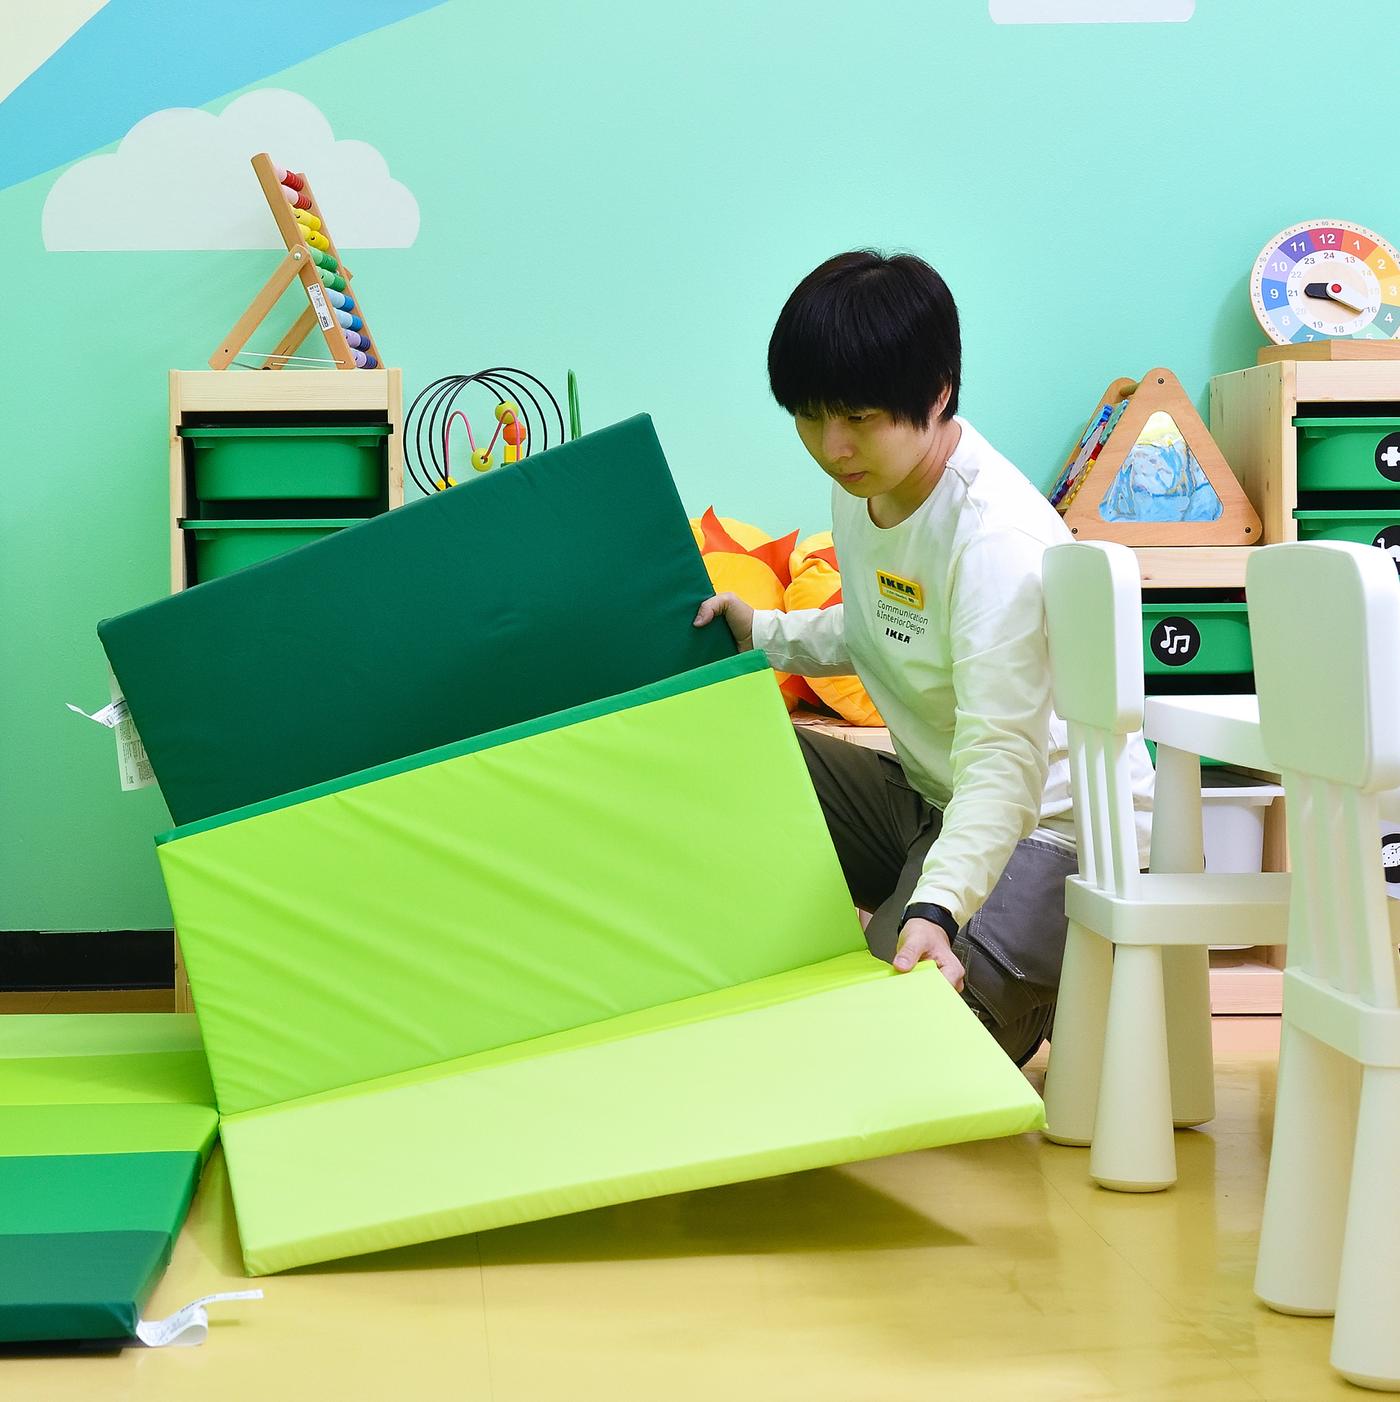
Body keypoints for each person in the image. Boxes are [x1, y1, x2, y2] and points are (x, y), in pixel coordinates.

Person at [694, 250, 1153, 1065]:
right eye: (809, 416)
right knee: (732, 749)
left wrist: (936, 907)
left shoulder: (994, 541)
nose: (831, 446)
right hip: (935, 799)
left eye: (859, 417)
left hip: (1048, 828)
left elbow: (1005, 762)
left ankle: (1032, 978)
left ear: (937, 393)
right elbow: (882, 630)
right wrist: (762, 631)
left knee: (894, 1051)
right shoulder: (870, 484)